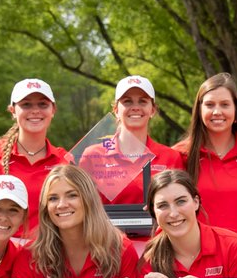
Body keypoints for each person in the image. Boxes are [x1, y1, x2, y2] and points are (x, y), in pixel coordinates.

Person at [173, 73, 237, 239]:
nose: (217, 111)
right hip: (199, 254)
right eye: (210, 105)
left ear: (236, 110)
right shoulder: (180, 154)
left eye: (225, 104)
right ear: (199, 110)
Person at [0, 78, 73, 233]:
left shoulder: (64, 160)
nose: (35, 110)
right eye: (26, 104)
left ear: (53, 110)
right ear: (12, 111)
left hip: (50, 253)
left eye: (42, 104)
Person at [11, 165, 139, 278]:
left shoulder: (121, 249)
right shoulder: (30, 255)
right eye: (53, 198)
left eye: (72, 195)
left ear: (89, 200)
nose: (61, 205)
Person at [78, 75, 183, 205]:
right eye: (127, 101)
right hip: (105, 226)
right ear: (116, 110)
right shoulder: (93, 155)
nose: (135, 107)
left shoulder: (171, 157)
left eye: (142, 101)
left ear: (153, 110)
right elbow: (83, 205)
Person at [140, 169, 237, 278]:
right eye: (162, 205)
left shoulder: (234, 248)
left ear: (196, 202)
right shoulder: (149, 259)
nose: (173, 214)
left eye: (181, 201)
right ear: (153, 211)